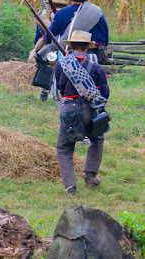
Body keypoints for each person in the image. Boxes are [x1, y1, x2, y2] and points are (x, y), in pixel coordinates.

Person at [53, 30, 109, 195]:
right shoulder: (96, 67)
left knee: (64, 148)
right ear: (87, 47)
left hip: (69, 109)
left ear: (71, 46)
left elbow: (58, 87)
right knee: (97, 140)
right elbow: (105, 93)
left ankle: (70, 186)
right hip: (90, 110)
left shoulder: (61, 64)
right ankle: (90, 177)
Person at [45, 0, 109, 62]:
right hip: (95, 58)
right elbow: (105, 40)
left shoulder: (61, 13)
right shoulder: (98, 14)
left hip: (68, 56)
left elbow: (49, 38)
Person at [28, 0, 69, 101]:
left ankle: (48, 92)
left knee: (51, 68)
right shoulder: (44, 15)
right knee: (46, 68)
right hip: (46, 44)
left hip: (56, 45)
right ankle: (44, 92)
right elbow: (46, 29)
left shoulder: (60, 16)